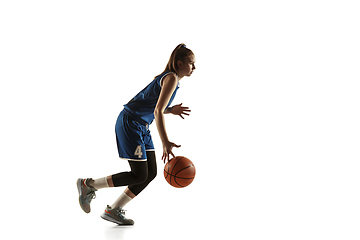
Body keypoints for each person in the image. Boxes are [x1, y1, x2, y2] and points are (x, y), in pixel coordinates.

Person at [77, 44, 196, 225]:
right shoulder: (171, 77)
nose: (194, 67)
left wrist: (170, 110)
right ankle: (88, 184)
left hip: (141, 126)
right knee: (139, 174)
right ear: (180, 63)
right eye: (191, 63)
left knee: (151, 173)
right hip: (130, 123)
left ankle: (113, 210)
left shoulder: (173, 79)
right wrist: (165, 141)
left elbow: (151, 105)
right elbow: (157, 111)